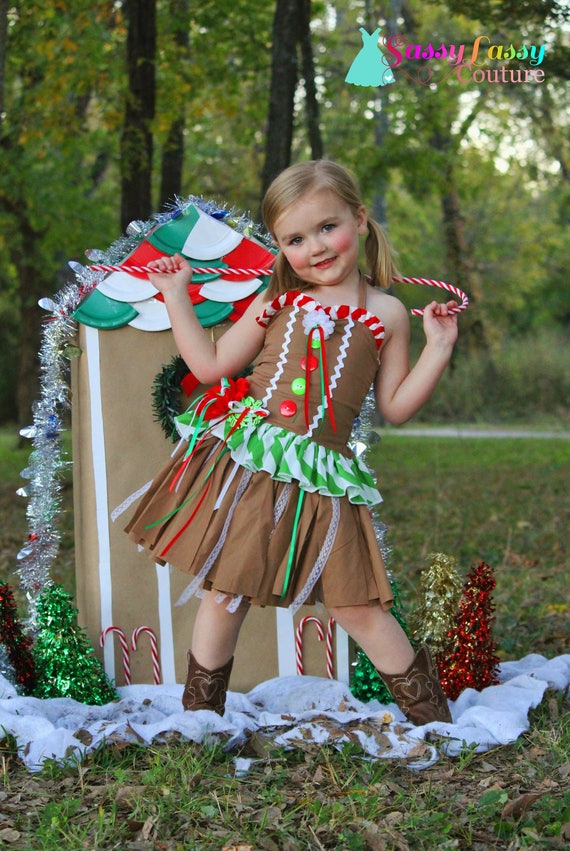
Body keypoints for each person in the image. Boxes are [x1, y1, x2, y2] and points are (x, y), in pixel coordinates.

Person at [125, 160, 458, 724]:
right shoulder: (278, 300)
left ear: (359, 218)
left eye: (328, 228)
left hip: (324, 472)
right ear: (281, 247)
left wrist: (439, 346)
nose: (316, 248)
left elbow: (397, 407)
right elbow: (208, 365)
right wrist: (175, 293)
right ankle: (199, 718)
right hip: (256, 463)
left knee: (357, 604)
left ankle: (434, 722)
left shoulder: (388, 312)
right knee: (226, 594)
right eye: (296, 239)